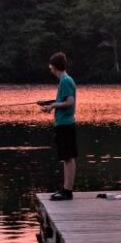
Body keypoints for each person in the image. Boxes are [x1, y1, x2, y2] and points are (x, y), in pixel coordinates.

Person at [39, 52, 78, 199]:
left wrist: (54, 105)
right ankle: (65, 189)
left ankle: (67, 191)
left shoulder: (66, 81)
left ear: (54, 67)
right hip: (64, 123)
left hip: (65, 124)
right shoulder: (65, 80)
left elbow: (70, 101)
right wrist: (49, 104)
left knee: (68, 158)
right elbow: (64, 100)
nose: (50, 69)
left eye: (50, 67)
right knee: (67, 157)